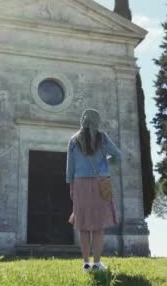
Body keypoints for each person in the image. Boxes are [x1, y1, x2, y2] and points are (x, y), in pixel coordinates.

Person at [66, 109, 122, 273]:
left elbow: (70, 167)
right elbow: (118, 156)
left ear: (82, 120)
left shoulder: (73, 140)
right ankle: (97, 264)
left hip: (80, 184)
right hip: (101, 182)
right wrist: (105, 161)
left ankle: (85, 264)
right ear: (97, 121)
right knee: (98, 226)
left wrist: (71, 186)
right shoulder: (103, 138)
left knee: (82, 225)